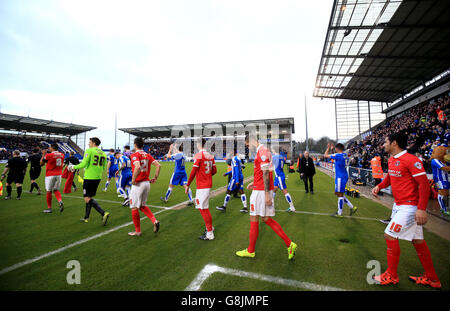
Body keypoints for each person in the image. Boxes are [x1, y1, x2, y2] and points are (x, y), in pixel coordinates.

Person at [372, 132, 441, 288]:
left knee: (389, 235)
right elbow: (389, 178)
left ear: (394, 143)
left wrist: (421, 209)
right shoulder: (392, 160)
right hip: (399, 205)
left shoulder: (412, 160)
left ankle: (391, 275)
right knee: (418, 241)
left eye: (386, 142)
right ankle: (432, 278)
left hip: (410, 207)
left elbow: (423, 184)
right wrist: (379, 186)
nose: (383, 144)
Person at [235, 134, 297, 259]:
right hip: (261, 189)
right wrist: (254, 182)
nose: (248, 147)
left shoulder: (262, 151)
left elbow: (266, 174)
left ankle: (251, 250)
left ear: (251, 141)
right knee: (266, 219)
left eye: (247, 144)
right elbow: (266, 172)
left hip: (261, 192)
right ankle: (289, 244)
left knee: (254, 218)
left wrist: (267, 194)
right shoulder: (264, 151)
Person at [68, 137, 110, 225]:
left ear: (94, 143)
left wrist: (73, 167)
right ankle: (86, 217)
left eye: (90, 142)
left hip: (89, 177)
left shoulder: (89, 150)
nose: (88, 144)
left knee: (87, 198)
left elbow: (83, 163)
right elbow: (103, 167)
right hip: (98, 177)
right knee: (89, 197)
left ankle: (103, 213)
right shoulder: (103, 153)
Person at [127, 137, 161, 236]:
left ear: (135, 144)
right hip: (147, 183)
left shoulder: (134, 155)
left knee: (134, 207)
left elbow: (137, 167)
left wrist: (133, 180)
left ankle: (137, 231)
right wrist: (155, 177)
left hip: (138, 184)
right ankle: (155, 221)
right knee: (142, 206)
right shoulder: (148, 155)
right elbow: (158, 165)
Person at [185, 138, 217, 241]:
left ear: (199, 144)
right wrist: (207, 175)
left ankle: (210, 233)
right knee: (203, 207)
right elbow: (214, 171)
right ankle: (210, 228)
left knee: (203, 209)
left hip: (202, 186)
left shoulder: (199, 155)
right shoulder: (210, 156)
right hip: (207, 184)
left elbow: (193, 171)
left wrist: (188, 184)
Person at [324, 143, 358, 218]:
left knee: (339, 194)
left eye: (335, 148)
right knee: (338, 193)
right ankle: (352, 207)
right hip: (344, 175)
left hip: (340, 177)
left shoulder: (338, 156)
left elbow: (325, 155)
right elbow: (337, 156)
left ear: (337, 148)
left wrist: (328, 148)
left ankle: (339, 213)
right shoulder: (345, 155)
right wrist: (333, 149)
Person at [40, 144, 65, 213]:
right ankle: (60, 201)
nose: (49, 148)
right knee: (56, 190)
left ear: (52, 148)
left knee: (49, 191)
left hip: (50, 175)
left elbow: (41, 164)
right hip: (59, 174)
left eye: (49, 147)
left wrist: (43, 155)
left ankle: (49, 208)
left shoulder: (49, 155)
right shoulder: (62, 154)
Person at [272, 148, 296, 212]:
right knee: (273, 190)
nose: (272, 151)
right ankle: (271, 207)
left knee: (285, 191)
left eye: (273, 150)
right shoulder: (281, 157)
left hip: (279, 176)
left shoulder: (275, 156)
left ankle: (292, 207)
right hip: (278, 176)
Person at [430, 146, 450, 216]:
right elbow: (443, 168)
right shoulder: (435, 160)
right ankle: (443, 209)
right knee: (442, 193)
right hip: (439, 179)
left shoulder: (443, 161)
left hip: (445, 179)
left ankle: (443, 208)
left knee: (444, 193)